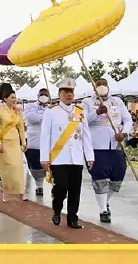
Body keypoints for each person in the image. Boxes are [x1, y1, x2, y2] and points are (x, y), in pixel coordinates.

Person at [40, 78, 94, 229]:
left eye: (71, 91)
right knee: (61, 187)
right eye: (65, 92)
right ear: (59, 93)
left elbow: (86, 136)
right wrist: (44, 157)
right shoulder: (51, 112)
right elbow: (45, 136)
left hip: (76, 157)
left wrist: (89, 156)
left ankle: (72, 218)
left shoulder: (80, 112)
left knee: (75, 190)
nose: (69, 94)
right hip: (59, 157)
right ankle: (57, 209)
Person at [80, 78, 132, 223]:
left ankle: (106, 200)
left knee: (118, 177)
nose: (102, 86)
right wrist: (96, 112)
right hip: (97, 146)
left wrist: (125, 133)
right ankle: (103, 209)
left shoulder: (117, 101)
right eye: (99, 84)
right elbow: (82, 120)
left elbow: (127, 120)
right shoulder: (87, 102)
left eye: (104, 84)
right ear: (94, 87)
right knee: (100, 178)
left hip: (116, 144)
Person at [0, 85, 27, 202]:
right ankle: (6, 192)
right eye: (12, 97)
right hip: (5, 143)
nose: (14, 100)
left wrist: (23, 142)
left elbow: (21, 128)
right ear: (5, 98)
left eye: (15, 97)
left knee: (18, 167)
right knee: (7, 168)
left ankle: (21, 191)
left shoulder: (17, 111)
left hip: (15, 142)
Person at [23, 87, 50, 196]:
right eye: (41, 94)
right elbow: (31, 118)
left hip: (49, 140)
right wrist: (48, 117)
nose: (44, 96)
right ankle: (39, 186)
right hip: (34, 140)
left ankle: (55, 186)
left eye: (46, 94)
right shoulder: (31, 106)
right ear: (38, 96)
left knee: (51, 165)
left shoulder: (52, 107)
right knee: (36, 165)